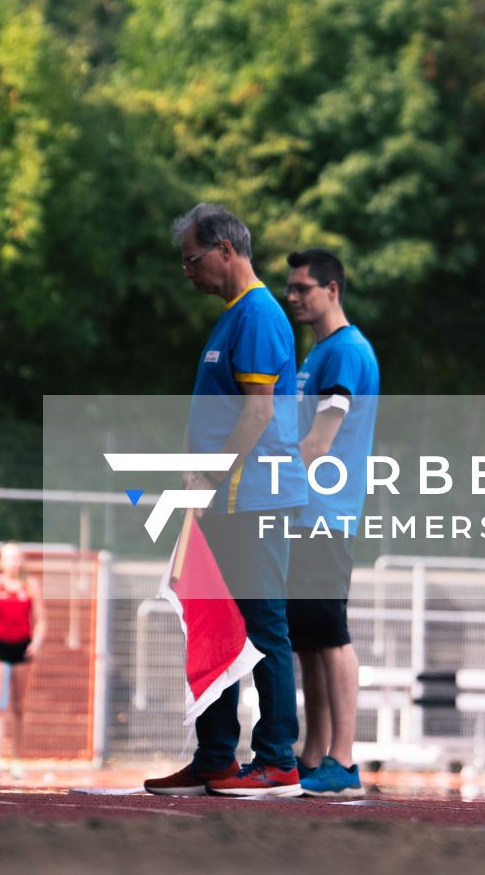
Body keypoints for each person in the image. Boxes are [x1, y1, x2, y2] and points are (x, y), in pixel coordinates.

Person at [145, 203, 307, 799]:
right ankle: (215, 757)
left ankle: (278, 760)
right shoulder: (231, 318)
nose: (187, 273)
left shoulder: (260, 315)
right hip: (218, 501)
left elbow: (259, 411)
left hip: (254, 499)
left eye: (192, 260)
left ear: (225, 250)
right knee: (215, 627)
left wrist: (210, 477)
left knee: (263, 627)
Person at [281, 247, 379, 799]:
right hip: (306, 512)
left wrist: (260, 478)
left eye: (303, 288)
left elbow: (320, 443)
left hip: (325, 513)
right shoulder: (319, 354)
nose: (293, 297)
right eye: (290, 289)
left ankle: (342, 760)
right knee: (310, 639)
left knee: (331, 634)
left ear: (332, 290)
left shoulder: (343, 354)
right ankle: (314, 754)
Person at [0, 543, 47, 774]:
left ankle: (16, 759)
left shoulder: (31, 586)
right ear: (2, 561)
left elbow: (41, 620)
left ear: (22, 560)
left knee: (18, 706)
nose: (12, 563)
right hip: (0, 646)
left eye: (16, 558)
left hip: (22, 647)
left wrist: (35, 643)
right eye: (8, 558)